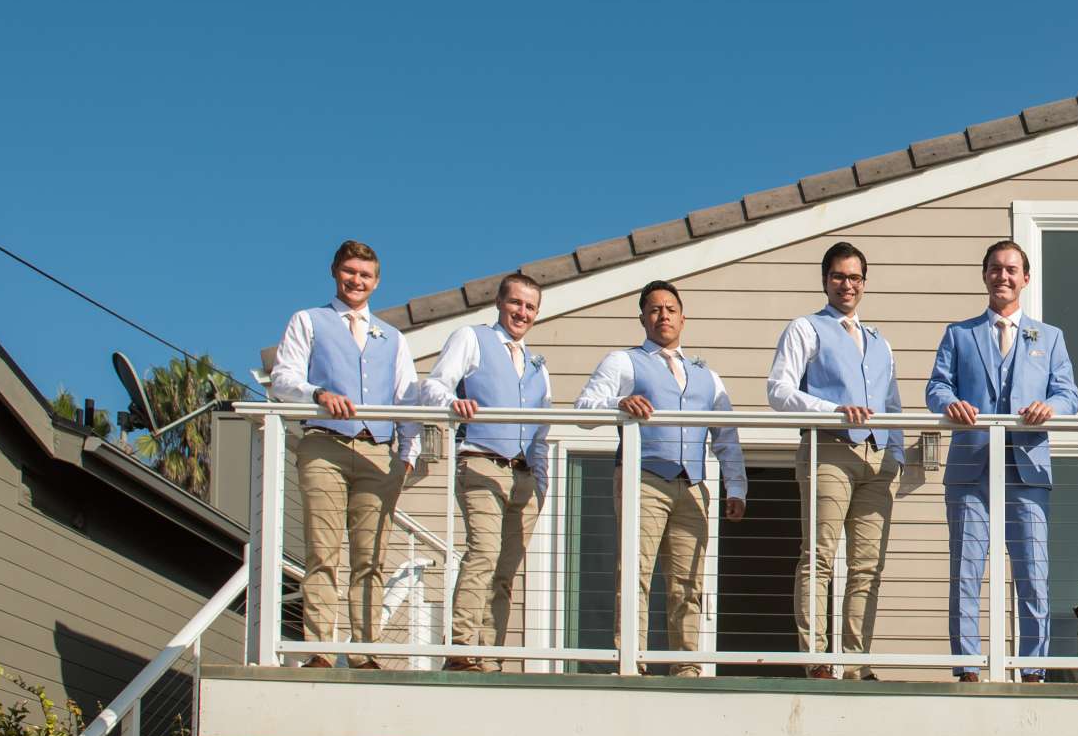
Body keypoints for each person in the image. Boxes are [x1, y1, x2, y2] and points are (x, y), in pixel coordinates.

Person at [267, 239, 426, 668]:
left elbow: (407, 399)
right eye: (350, 272)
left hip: (377, 453)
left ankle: (364, 651)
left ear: (377, 282)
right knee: (322, 550)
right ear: (336, 272)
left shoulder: (392, 338)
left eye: (366, 275)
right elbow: (282, 378)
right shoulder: (309, 321)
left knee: (370, 556)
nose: (357, 281)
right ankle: (318, 648)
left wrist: (408, 453)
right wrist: (317, 393)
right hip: (324, 444)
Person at [575, 280, 746, 675]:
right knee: (635, 572)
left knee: (688, 581)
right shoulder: (623, 361)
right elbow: (584, 408)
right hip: (643, 478)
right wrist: (617, 403)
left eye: (670, 309)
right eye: (654, 309)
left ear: (683, 318)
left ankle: (685, 665)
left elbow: (726, 435)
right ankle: (631, 660)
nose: (663, 315)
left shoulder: (707, 376)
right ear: (642, 318)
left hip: (693, 485)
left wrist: (735, 486)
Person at [928, 240, 1078, 682]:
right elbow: (936, 386)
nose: (1003, 276)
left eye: (1012, 269)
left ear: (1025, 279)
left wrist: (1051, 408)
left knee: (1033, 573)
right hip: (970, 467)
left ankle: (1033, 668)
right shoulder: (959, 334)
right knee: (966, 572)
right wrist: (951, 403)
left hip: (1027, 467)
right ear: (985, 276)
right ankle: (969, 667)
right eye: (995, 268)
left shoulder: (1050, 337)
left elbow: (1067, 394)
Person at [767, 241, 905, 680]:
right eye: (839, 277)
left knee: (867, 565)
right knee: (820, 557)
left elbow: (894, 404)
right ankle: (818, 660)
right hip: (829, 449)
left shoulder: (880, 341)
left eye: (855, 278)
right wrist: (831, 411)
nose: (847, 285)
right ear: (825, 280)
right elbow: (779, 391)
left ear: (865, 283)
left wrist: (896, 454)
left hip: (877, 459)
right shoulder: (805, 328)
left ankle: (857, 663)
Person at [420, 270, 551, 672]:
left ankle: (490, 657)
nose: (522, 312)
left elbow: (542, 431)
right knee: (484, 552)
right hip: (480, 461)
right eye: (515, 303)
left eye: (530, 307)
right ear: (499, 302)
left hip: (524, 476)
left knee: (506, 573)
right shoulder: (472, 338)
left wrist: (541, 483)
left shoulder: (537, 365)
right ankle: (461, 649)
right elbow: (434, 385)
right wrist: (451, 405)